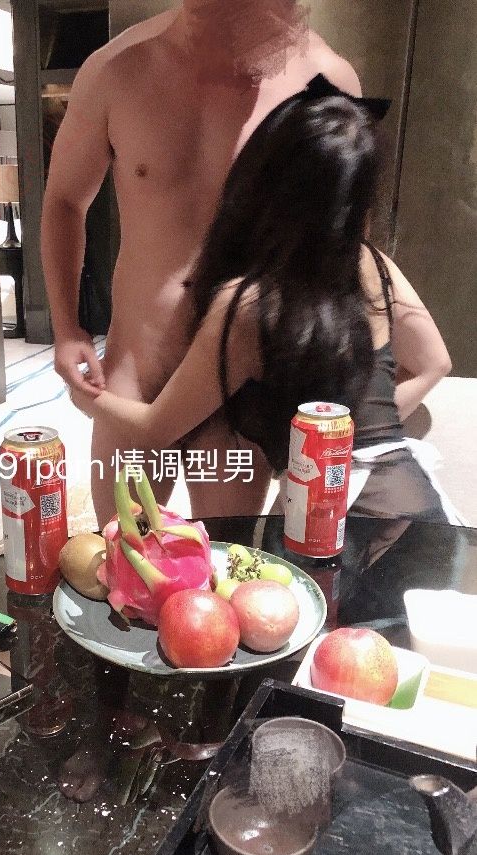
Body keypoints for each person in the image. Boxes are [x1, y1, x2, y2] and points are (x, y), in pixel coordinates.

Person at [71, 80, 455, 525]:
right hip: (418, 503)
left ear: (261, 182)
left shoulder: (250, 305)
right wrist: (351, 432)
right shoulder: (375, 265)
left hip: (328, 520)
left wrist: (85, 397)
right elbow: (435, 362)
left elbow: (156, 428)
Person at [42, 0, 362, 526]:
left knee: (227, 555)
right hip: (135, 368)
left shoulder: (326, 81)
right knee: (126, 552)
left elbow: (338, 245)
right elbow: (63, 200)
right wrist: (65, 326)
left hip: (236, 379)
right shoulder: (116, 69)